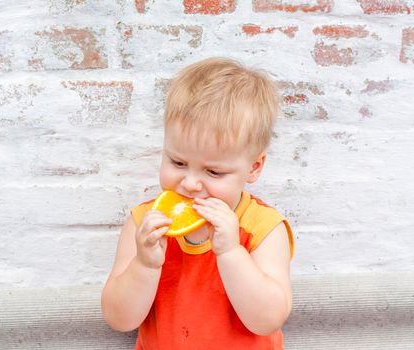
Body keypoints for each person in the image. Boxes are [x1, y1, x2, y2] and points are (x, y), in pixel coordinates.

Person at [101, 57, 294, 349]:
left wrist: (230, 251)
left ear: (254, 168)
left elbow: (267, 319)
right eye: (177, 162)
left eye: (213, 171)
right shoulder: (145, 222)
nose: (190, 183)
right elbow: (120, 320)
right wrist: (144, 264)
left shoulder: (263, 228)